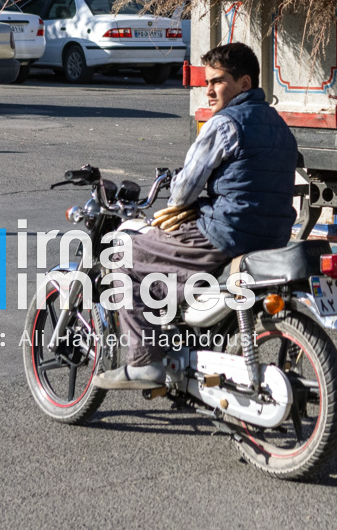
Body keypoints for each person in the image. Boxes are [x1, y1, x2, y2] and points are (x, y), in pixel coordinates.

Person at [94, 42, 298, 390]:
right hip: (274, 235)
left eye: (217, 81)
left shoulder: (224, 124)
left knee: (124, 255)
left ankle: (143, 363)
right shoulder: (279, 124)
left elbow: (183, 189)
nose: (208, 90)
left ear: (244, 83)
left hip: (227, 233)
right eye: (207, 81)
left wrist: (186, 204)